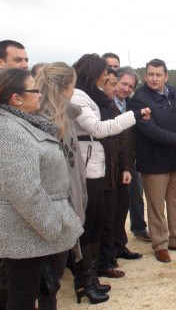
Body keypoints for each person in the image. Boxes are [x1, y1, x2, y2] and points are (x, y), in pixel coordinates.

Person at [0, 68, 84, 310]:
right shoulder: (10, 131)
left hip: (35, 231)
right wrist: (53, 226)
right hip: (27, 234)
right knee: (24, 298)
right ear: (16, 98)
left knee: (45, 291)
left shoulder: (23, 122)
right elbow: (23, 189)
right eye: (34, 90)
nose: (40, 94)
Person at [71, 53, 150, 302]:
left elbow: (121, 142)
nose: (111, 80)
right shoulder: (79, 97)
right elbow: (99, 129)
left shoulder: (92, 97)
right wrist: (134, 116)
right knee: (90, 225)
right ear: (93, 73)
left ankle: (91, 277)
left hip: (100, 168)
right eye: (106, 75)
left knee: (96, 223)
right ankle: (84, 280)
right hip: (88, 170)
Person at [130, 58, 176, 263]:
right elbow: (151, 131)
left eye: (159, 74)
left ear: (166, 76)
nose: (154, 78)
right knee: (156, 206)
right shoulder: (140, 100)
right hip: (153, 162)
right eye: (150, 74)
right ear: (145, 75)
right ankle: (160, 244)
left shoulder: (174, 94)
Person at [36, 62, 91, 309]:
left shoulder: (63, 115)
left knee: (50, 280)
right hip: (52, 210)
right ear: (68, 86)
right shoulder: (42, 119)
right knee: (46, 281)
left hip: (61, 207)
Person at [114, 67, 151, 243]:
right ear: (116, 82)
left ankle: (139, 228)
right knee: (115, 200)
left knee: (136, 193)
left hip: (130, 157)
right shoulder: (106, 102)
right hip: (111, 158)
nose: (126, 89)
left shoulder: (133, 103)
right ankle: (116, 236)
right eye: (123, 84)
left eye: (130, 86)